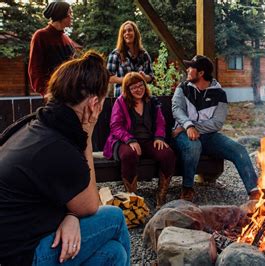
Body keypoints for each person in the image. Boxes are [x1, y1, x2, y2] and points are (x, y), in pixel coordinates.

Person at [0, 51, 130, 265]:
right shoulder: (58, 147)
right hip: (21, 255)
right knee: (114, 218)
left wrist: (70, 217)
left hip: (19, 237)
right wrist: (88, 133)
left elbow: (63, 199)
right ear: (93, 104)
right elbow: (90, 207)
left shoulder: (36, 125)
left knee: (114, 253)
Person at [172, 55, 259, 201]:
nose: (187, 70)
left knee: (239, 149)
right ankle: (187, 188)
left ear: (201, 73)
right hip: (183, 135)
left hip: (208, 136)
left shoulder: (219, 93)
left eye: (191, 67)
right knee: (194, 146)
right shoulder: (182, 88)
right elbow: (177, 110)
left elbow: (217, 123)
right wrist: (188, 126)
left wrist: (193, 127)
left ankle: (254, 190)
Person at [103, 72, 176, 208]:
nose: (138, 89)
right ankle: (132, 197)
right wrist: (130, 139)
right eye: (133, 87)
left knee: (167, 154)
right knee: (129, 154)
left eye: (140, 85)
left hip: (148, 140)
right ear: (127, 89)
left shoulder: (152, 101)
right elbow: (115, 126)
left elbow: (160, 122)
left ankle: (161, 194)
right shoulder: (121, 102)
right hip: (125, 140)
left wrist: (159, 137)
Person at [28, 1, 77, 96]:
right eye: (69, 13)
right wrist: (46, 91)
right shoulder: (41, 36)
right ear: (61, 15)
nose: (72, 16)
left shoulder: (67, 39)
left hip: (70, 94)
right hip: (53, 94)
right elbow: (35, 68)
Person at [107, 21, 154, 97]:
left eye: (130, 30)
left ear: (135, 33)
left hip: (142, 97)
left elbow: (151, 76)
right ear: (122, 36)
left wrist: (144, 77)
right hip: (123, 96)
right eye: (124, 32)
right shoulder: (116, 54)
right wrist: (127, 80)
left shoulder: (144, 54)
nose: (127, 33)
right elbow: (108, 78)